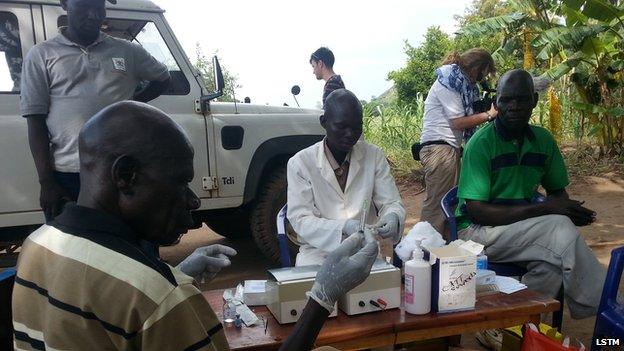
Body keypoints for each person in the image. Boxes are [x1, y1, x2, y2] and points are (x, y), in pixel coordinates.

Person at [12, 101, 378, 351]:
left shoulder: (38, 245)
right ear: (125, 176)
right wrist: (321, 296)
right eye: (179, 183)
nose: (192, 201)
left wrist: (172, 271)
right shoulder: (156, 299)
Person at [456, 69, 606, 319]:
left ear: (534, 101)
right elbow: (478, 212)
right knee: (559, 227)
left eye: (521, 99)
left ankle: (516, 329)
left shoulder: (543, 141)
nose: (513, 107)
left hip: (519, 229)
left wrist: (568, 209)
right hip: (476, 234)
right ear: (496, 102)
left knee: (551, 266)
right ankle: (606, 308)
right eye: (505, 100)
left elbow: (558, 193)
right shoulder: (481, 144)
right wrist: (548, 209)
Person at [20, 0, 171, 222]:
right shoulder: (42, 54)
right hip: (69, 175)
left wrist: (132, 105)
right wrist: (47, 182)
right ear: (65, 4)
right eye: (83, 6)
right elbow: (35, 121)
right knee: (73, 251)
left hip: (124, 171)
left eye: (99, 6)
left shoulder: (127, 51)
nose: (93, 15)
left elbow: (162, 77)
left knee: (133, 248)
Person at [287, 89, 406, 266]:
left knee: (378, 292)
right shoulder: (300, 163)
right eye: (341, 126)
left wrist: (393, 216)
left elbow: (390, 202)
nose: (350, 134)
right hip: (318, 253)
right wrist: (343, 227)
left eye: (357, 126)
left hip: (364, 249)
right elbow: (300, 219)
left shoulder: (373, 155)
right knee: (317, 292)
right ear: (324, 122)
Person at [419, 48, 497, 238]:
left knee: (449, 204)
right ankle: (425, 251)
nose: (482, 79)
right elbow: (458, 122)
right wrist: (489, 115)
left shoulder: (461, 83)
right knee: (438, 204)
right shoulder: (449, 81)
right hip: (440, 149)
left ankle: (443, 250)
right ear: (476, 67)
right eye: (483, 73)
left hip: (448, 148)